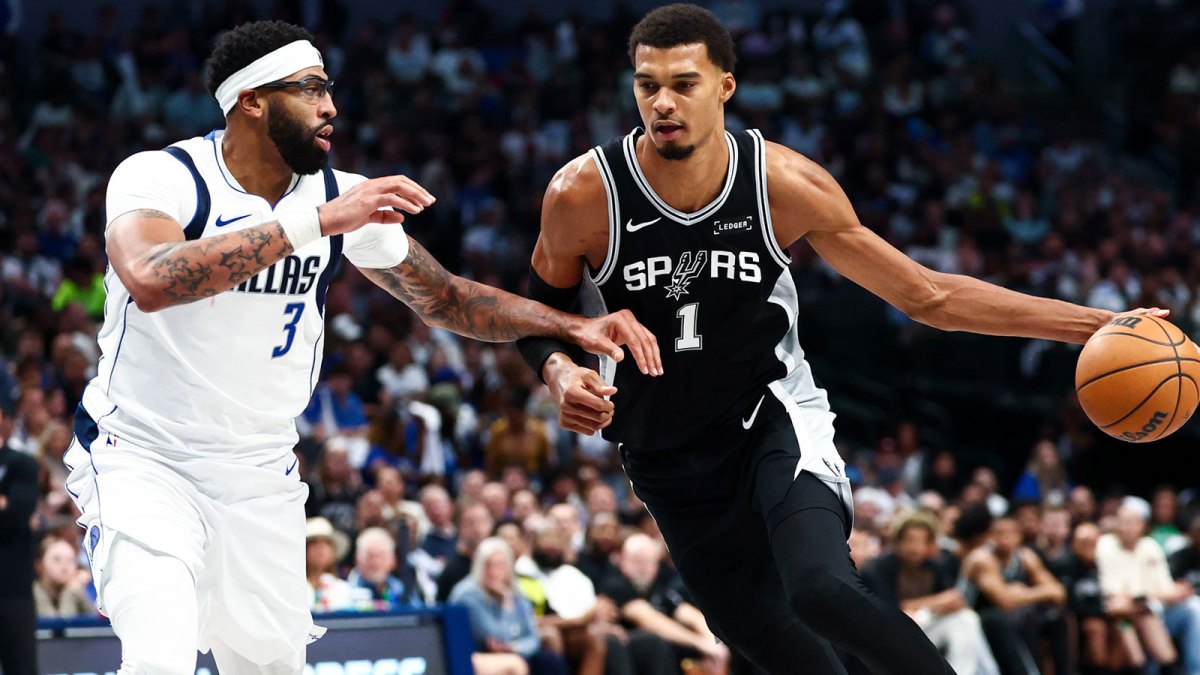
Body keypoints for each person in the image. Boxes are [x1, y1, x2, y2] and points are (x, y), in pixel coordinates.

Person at [518, 4, 1164, 673]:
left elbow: (928, 295)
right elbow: (538, 315)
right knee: (760, 633)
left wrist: (1093, 322)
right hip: (662, 450)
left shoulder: (782, 185)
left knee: (821, 588)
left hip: (768, 416)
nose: (663, 102)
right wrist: (560, 373)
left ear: (726, 87)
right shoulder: (582, 193)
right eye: (647, 84)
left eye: (684, 83)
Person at [63, 20, 661, 674]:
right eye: (311, 89)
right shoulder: (164, 176)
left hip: (260, 468)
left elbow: (447, 297)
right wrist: (314, 222)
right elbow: (151, 277)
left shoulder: (337, 195)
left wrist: (570, 326)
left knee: (269, 667)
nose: (331, 108)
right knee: (160, 659)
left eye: (331, 90)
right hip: (143, 457)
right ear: (252, 99)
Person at [860, 511, 997, 675]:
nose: (915, 548)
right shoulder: (878, 568)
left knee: (967, 619)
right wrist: (936, 602)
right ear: (897, 541)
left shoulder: (935, 567)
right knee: (911, 617)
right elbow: (888, 607)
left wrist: (948, 603)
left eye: (921, 541)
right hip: (888, 633)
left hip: (926, 627)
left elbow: (952, 599)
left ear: (929, 545)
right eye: (909, 540)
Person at [0, 404, 40, 675]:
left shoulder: (22, 463)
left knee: (21, 668)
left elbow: (16, 515)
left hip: (13, 589)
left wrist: (9, 508)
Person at [32, 535, 96, 618]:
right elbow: (54, 627)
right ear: (40, 566)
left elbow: (97, 626)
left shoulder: (77, 588)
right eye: (57, 559)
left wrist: (76, 591)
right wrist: (70, 592)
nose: (65, 566)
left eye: (70, 560)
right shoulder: (33, 592)